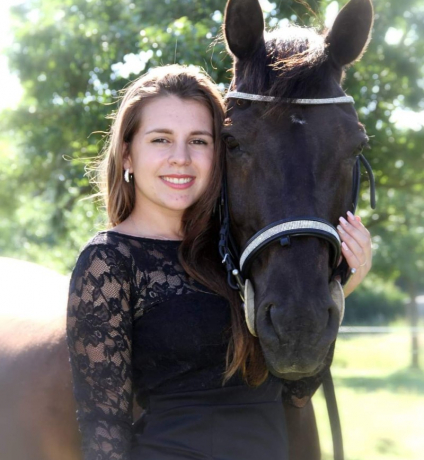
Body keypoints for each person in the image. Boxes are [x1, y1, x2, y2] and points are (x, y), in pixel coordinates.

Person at [66, 64, 372, 460]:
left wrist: (340, 285)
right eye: (161, 139)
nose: (181, 158)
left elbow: (296, 393)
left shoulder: (241, 256)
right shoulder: (108, 261)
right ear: (127, 154)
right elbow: (103, 427)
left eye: (199, 141)